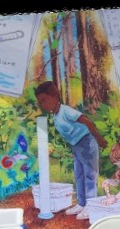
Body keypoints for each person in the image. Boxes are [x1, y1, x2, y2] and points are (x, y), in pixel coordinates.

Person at [35, 81, 107, 221]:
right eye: (40, 102)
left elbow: (86, 120)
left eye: (44, 100)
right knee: (79, 175)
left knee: (89, 175)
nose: (42, 105)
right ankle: (82, 203)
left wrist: (99, 138)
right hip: (77, 147)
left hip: (86, 142)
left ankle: (91, 205)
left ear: (55, 96)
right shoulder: (55, 116)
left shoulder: (65, 111)